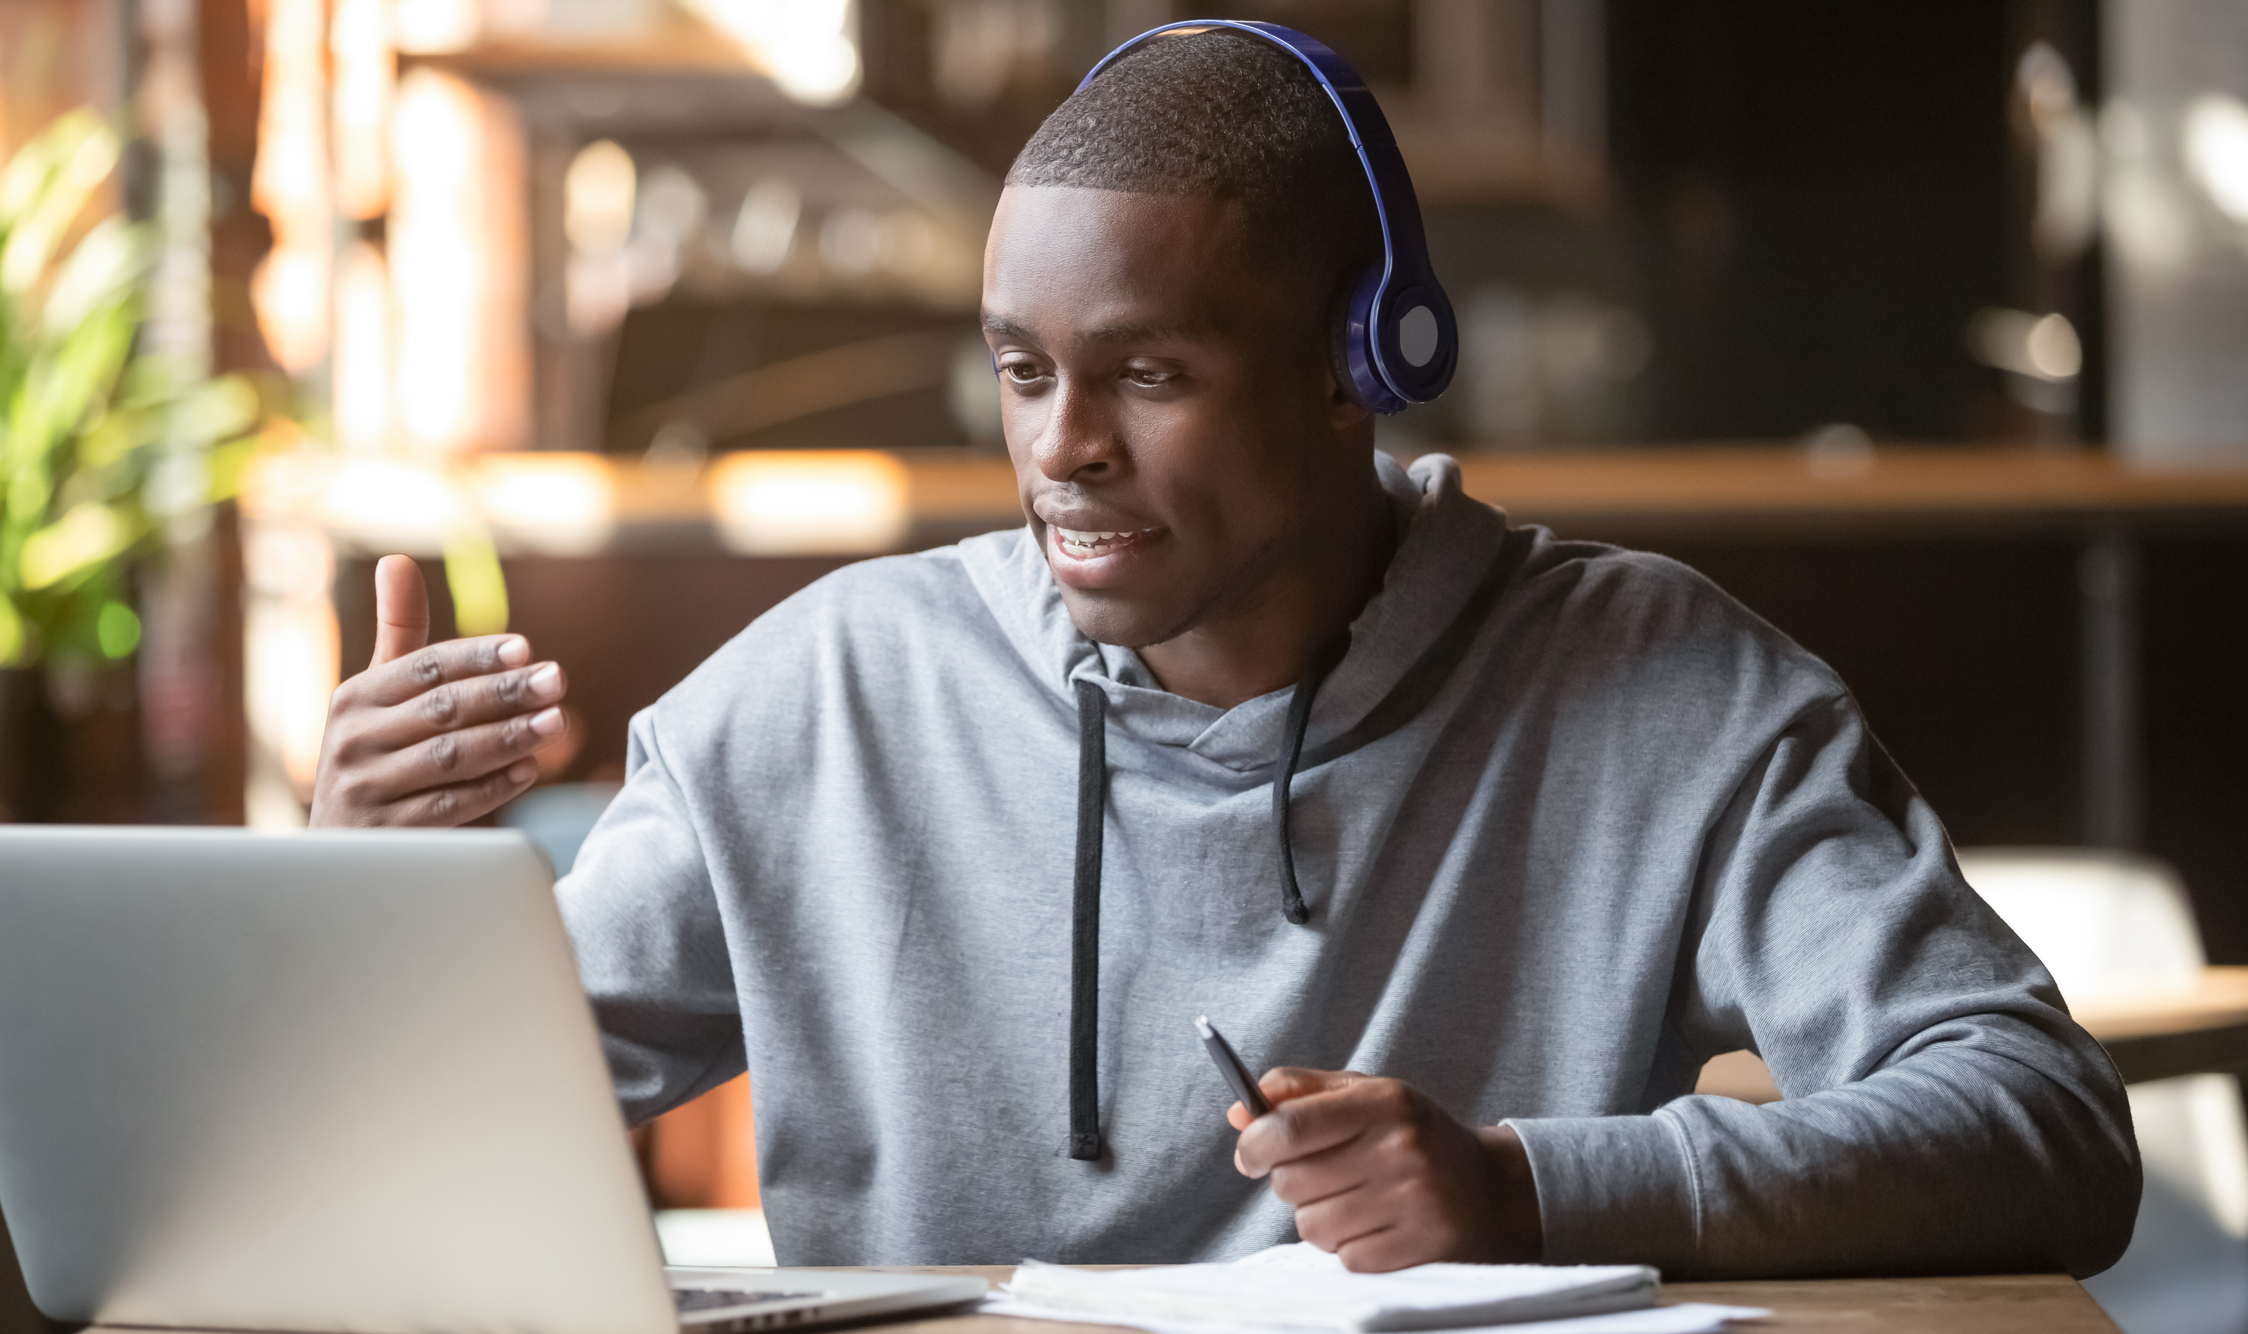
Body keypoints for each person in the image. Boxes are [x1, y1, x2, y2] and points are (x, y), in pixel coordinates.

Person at [310, 29, 2139, 1276]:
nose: (1061, 448)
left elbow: (2043, 1125)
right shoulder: (817, 702)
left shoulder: (1658, 685)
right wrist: (360, 900)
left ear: (1366, 365)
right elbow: (386, 1170)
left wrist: (1524, 1185)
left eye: (1149, 374)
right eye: (1022, 370)